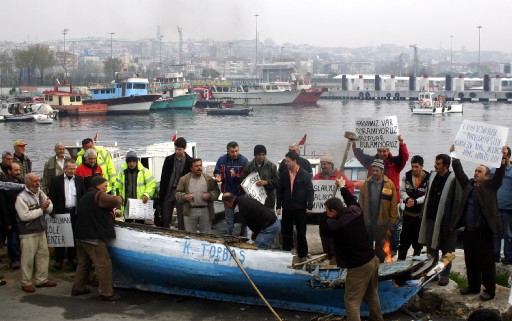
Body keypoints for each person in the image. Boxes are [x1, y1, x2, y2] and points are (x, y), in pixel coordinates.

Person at [449, 145, 509, 301]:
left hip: (484, 232)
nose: (476, 173)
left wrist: (503, 157)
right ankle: (473, 286)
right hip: (469, 231)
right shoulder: (468, 186)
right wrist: (454, 155)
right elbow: (459, 172)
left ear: (487, 177)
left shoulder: (490, 187)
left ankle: (490, 290)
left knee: (486, 262)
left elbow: (500, 174)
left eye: (480, 171)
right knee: (470, 260)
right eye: (475, 170)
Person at [319, 178, 384, 321]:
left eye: (327, 211)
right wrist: (342, 187)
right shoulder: (355, 211)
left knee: (351, 301)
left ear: (333, 211)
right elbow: (351, 200)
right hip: (372, 260)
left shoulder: (336, 226)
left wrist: (323, 214)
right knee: (371, 294)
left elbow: (323, 228)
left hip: (358, 266)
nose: (326, 213)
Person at [353, 134, 409, 253]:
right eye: (379, 151)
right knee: (372, 225)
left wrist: (401, 144)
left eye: (384, 151)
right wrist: (356, 142)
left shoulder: (396, 163)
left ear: (388, 151)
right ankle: (372, 249)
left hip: (391, 200)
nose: (382, 153)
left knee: (392, 225)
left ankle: (392, 249)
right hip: (373, 200)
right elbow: (359, 154)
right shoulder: (370, 161)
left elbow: (405, 157)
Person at [72, 176, 122, 301]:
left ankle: (78, 288)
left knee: (83, 263)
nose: (106, 188)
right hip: (92, 237)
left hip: (80, 235)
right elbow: (116, 200)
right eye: (105, 185)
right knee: (104, 264)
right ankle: (106, 293)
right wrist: (119, 198)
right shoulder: (99, 195)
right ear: (98, 186)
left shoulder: (86, 196)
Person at [418, 154, 460, 286]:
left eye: (438, 164)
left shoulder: (454, 180)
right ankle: (433, 273)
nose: (435, 166)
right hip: (431, 218)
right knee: (431, 249)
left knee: (447, 250)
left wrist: (454, 222)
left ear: (446, 166)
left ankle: (444, 275)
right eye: (435, 163)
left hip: (446, 221)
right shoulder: (433, 176)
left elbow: (457, 202)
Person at [15, 173, 57, 293]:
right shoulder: (21, 197)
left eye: (38, 180)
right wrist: (42, 209)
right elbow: (24, 216)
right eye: (34, 181)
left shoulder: (40, 192)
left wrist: (47, 207)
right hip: (28, 232)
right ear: (27, 183)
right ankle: (26, 282)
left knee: (43, 256)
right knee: (27, 258)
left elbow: (50, 206)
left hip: (41, 230)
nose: (37, 183)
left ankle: (41, 279)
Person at [313, 152, 355, 264]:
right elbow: (312, 191)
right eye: (321, 163)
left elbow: (349, 187)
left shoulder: (339, 175)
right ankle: (327, 253)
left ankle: (335, 255)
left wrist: (342, 202)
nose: (323, 166)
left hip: (335, 212)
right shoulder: (317, 177)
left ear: (331, 164)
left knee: (335, 234)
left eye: (325, 163)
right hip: (322, 212)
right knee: (323, 233)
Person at [276, 151, 314, 261]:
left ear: (294, 161)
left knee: (301, 232)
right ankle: (286, 254)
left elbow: (310, 191)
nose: (286, 163)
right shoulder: (283, 174)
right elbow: (279, 191)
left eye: (288, 161)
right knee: (286, 232)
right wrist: (278, 206)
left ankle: (303, 254)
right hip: (287, 207)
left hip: (300, 208)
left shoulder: (304, 174)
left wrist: (309, 206)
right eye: (285, 161)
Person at [358, 159, 398, 262]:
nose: (374, 173)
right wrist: (359, 218)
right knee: (367, 245)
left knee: (380, 248)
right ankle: (369, 264)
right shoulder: (366, 184)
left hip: (382, 222)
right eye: (373, 170)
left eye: (377, 170)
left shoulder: (389, 184)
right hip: (368, 221)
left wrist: (393, 221)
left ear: (382, 171)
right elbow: (360, 202)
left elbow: (393, 205)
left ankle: (379, 264)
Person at [49, 160, 85, 269]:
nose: (72, 171)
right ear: (65, 169)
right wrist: (52, 211)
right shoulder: (56, 180)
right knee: (61, 236)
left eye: (74, 169)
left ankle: (72, 258)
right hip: (61, 211)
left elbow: (83, 195)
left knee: (73, 236)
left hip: (74, 211)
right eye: (70, 168)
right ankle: (59, 259)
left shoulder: (79, 179)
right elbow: (52, 196)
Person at [398, 155, 430, 260]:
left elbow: (428, 195)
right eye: (412, 166)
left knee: (418, 242)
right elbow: (402, 191)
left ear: (422, 166)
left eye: (416, 167)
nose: (414, 169)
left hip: (420, 216)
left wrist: (416, 201)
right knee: (404, 241)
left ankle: (416, 263)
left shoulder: (428, 178)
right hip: (407, 215)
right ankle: (400, 262)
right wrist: (407, 199)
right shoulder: (406, 176)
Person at [175, 158, 220, 234]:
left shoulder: (208, 179)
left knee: (206, 235)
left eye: (200, 165)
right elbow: (177, 194)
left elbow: (216, 192)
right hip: (190, 211)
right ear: (191, 168)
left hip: (205, 211)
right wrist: (185, 197)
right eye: (196, 166)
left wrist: (210, 195)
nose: (199, 168)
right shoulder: (184, 179)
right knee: (190, 235)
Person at [214, 141, 248, 235]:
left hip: (241, 194)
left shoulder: (244, 160)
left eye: (237, 151)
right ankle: (230, 237)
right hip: (227, 194)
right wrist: (218, 176)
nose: (235, 153)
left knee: (242, 219)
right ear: (228, 151)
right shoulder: (221, 160)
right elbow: (217, 171)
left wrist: (236, 176)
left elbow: (246, 178)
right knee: (229, 219)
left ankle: (243, 239)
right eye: (232, 151)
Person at [159, 137, 193, 229]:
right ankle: (165, 233)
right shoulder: (168, 160)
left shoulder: (190, 161)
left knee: (181, 218)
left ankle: (181, 235)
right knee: (166, 217)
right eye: (176, 149)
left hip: (182, 192)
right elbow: (163, 177)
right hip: (169, 191)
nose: (177, 151)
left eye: (180, 149)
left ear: (184, 149)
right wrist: (162, 192)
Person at [115, 151, 157, 223]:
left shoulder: (144, 171)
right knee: (128, 224)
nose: (132, 164)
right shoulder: (122, 172)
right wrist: (118, 197)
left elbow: (152, 184)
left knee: (140, 224)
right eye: (129, 162)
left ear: (136, 161)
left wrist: (146, 194)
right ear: (127, 162)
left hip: (140, 203)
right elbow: (118, 186)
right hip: (127, 204)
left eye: (134, 161)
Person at [1, 163, 25, 270]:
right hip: (11, 217)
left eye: (19, 170)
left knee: (22, 239)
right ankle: (14, 260)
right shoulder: (4, 186)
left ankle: (22, 257)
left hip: (22, 217)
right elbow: (2, 206)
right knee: (13, 240)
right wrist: (7, 222)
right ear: (9, 171)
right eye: (15, 170)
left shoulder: (22, 182)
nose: (18, 172)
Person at [241, 144, 279, 210]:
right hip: (253, 201)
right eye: (259, 155)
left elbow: (277, 182)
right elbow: (242, 180)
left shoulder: (272, 166)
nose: (261, 157)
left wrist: (266, 182)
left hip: (268, 201)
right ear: (255, 155)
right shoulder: (248, 166)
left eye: (263, 154)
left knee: (268, 219)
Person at [492, 146, 512, 264]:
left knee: (508, 234)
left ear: (509, 157)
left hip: (508, 208)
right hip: (495, 207)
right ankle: (495, 256)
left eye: (504, 156)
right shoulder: (494, 170)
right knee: (495, 234)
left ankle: (509, 257)